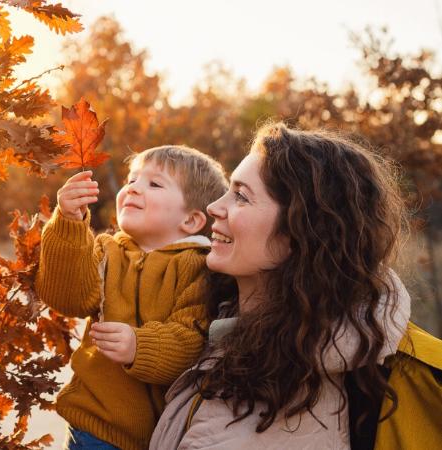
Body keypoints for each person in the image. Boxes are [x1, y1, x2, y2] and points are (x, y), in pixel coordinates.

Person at [149, 123, 411, 449]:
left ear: (298, 234)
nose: (215, 207)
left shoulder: (292, 412)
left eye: (241, 196)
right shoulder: (223, 328)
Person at [35, 145, 229, 450]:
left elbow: (193, 339)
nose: (134, 189)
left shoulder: (199, 267)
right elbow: (67, 297)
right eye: (131, 180)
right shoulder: (107, 251)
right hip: (94, 426)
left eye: (153, 184)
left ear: (191, 221)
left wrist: (139, 347)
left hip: (166, 435)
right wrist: (70, 222)